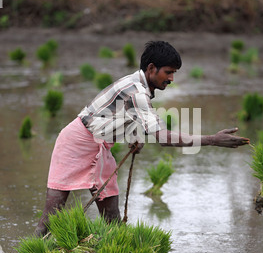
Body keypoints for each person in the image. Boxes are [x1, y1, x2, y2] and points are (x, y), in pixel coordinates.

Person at [34, 41, 249, 236]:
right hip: (75, 143)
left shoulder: (139, 88)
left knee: (112, 217)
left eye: (174, 73)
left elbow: (122, 115)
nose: (172, 79)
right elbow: (163, 138)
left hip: (100, 147)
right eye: (169, 72)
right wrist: (212, 139)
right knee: (51, 217)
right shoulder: (137, 92)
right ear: (151, 68)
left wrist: (135, 134)